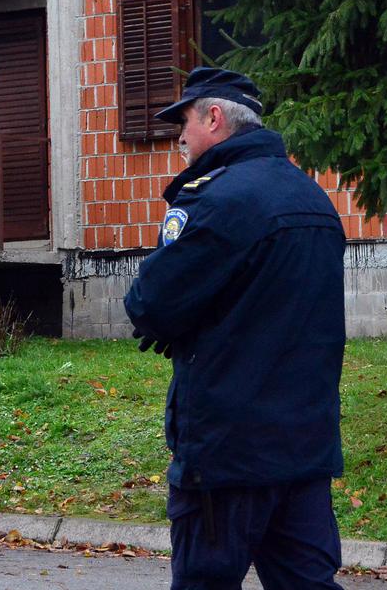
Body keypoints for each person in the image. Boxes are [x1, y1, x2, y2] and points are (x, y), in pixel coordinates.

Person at [124, 67, 347, 590]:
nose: (179, 138)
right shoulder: (314, 199)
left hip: (228, 456)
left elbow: (149, 303)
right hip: (304, 450)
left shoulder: (220, 199)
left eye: (184, 122)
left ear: (214, 118)